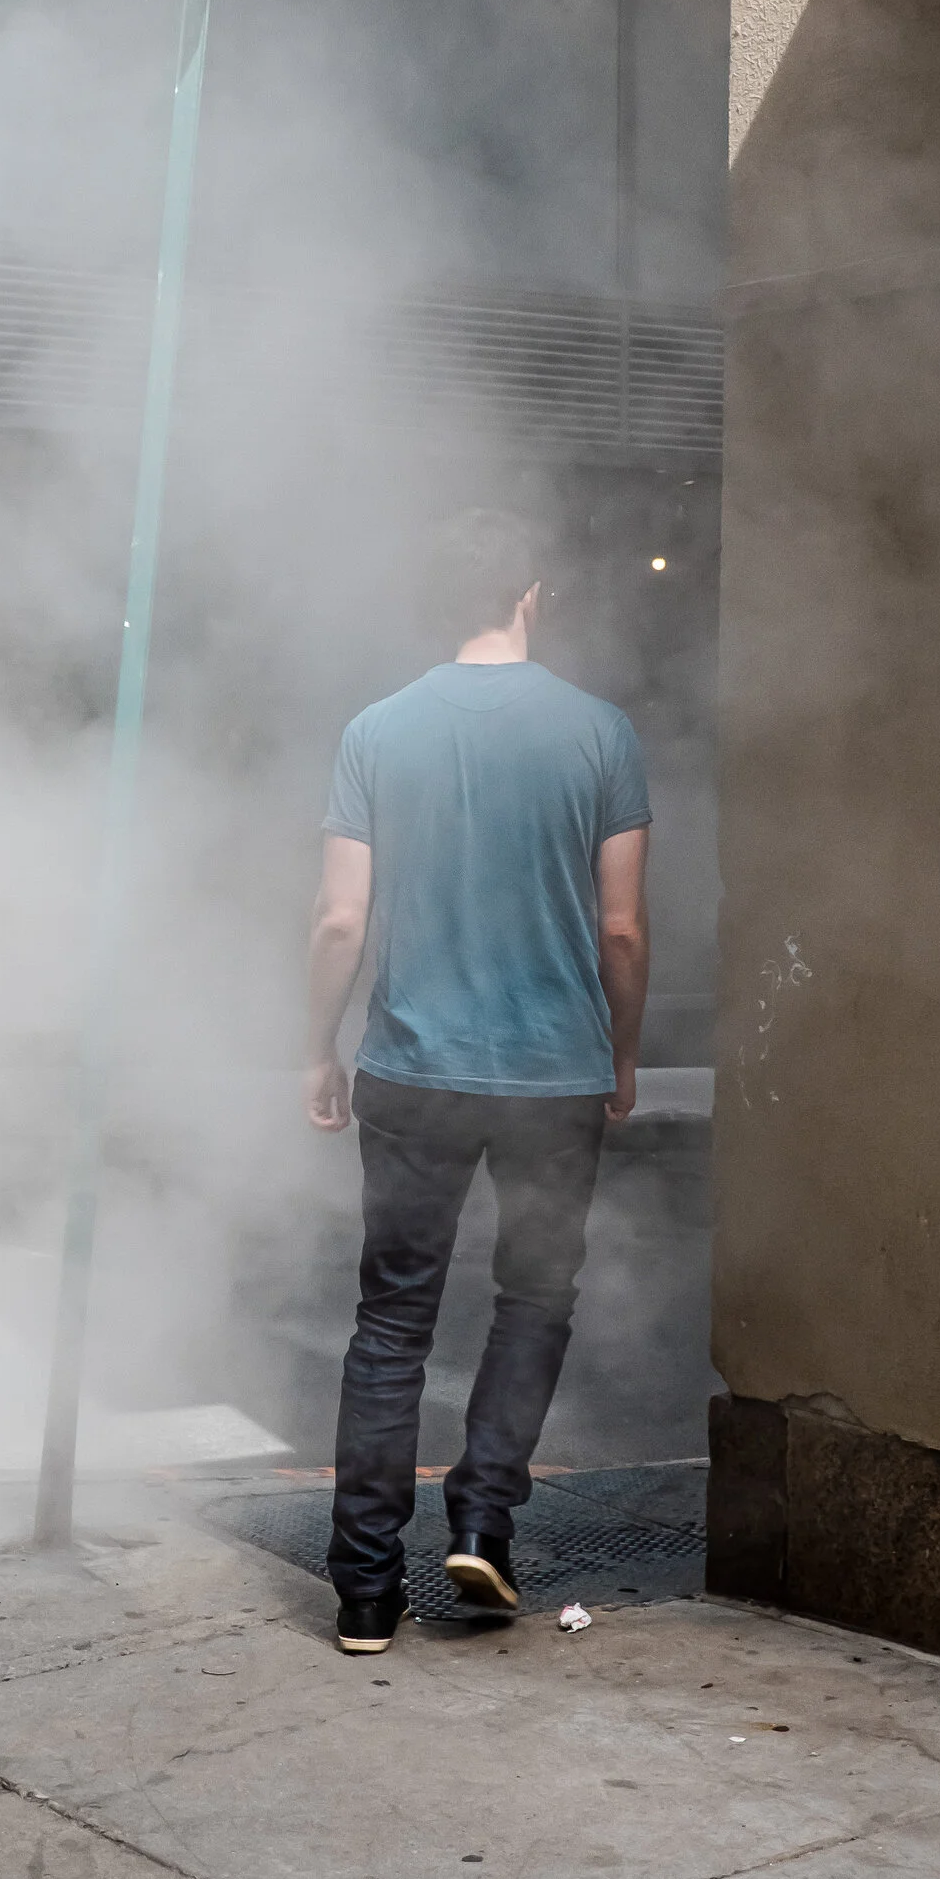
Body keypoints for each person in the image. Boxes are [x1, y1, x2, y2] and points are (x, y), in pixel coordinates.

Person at [306, 507, 651, 1653]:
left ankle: (362, 1588)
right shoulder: (599, 732)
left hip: (410, 1067)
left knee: (391, 1323)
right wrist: (622, 1052)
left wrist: (319, 1044)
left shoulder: (375, 732)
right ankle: (485, 1525)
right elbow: (621, 933)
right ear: (531, 593)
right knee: (535, 1300)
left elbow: (338, 918)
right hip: (552, 1073)